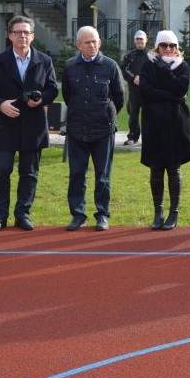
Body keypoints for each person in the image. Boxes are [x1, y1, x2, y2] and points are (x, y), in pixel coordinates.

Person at [0, 16, 59, 232]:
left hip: (33, 125)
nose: (22, 36)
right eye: (17, 32)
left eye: (26, 32)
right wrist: (0, 104)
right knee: (2, 169)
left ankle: (22, 214)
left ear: (32, 36)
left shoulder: (44, 60)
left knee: (29, 172)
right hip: (7, 124)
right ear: (9, 35)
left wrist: (42, 99)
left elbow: (53, 88)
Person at [62, 26, 125, 231]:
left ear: (99, 43)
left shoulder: (110, 66)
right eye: (87, 42)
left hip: (103, 130)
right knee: (77, 174)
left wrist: (106, 114)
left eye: (94, 41)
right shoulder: (70, 66)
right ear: (78, 44)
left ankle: (102, 215)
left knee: (103, 175)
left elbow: (119, 97)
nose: (91, 45)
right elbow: (68, 95)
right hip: (77, 128)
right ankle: (78, 215)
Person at [139, 30, 190, 230]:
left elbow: (181, 88)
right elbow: (145, 91)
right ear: (157, 46)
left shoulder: (183, 67)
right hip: (153, 123)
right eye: (164, 45)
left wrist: (165, 71)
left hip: (176, 123)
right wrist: (172, 96)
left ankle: (173, 212)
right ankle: (158, 212)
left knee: (173, 167)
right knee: (156, 168)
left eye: (172, 46)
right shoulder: (147, 65)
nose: (168, 49)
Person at [121, 30, 149, 145]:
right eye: (137, 39)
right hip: (134, 90)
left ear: (146, 40)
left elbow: (155, 70)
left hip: (148, 90)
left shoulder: (151, 55)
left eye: (141, 39)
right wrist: (133, 78)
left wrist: (143, 78)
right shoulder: (129, 55)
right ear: (134, 40)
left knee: (148, 114)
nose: (139, 41)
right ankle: (133, 136)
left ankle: (149, 138)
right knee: (133, 113)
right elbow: (123, 69)